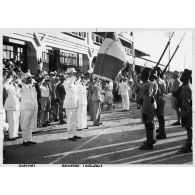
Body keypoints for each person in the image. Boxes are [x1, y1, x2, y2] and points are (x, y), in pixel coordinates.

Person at [139, 68, 157, 150]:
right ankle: (151, 139)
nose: (140, 76)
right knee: (151, 124)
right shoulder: (149, 83)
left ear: (144, 76)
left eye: (141, 75)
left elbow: (147, 99)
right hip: (151, 107)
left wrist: (145, 112)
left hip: (148, 108)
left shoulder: (146, 85)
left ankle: (149, 144)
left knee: (148, 125)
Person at [63, 68, 81, 141]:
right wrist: (74, 78)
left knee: (74, 120)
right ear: (70, 73)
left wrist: (78, 79)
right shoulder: (66, 81)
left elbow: (76, 91)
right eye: (73, 73)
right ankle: (70, 135)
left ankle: (74, 133)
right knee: (70, 120)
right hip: (69, 103)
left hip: (74, 103)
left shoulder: (73, 82)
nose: (74, 74)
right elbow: (68, 86)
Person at [20, 72, 37, 146]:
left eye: (31, 78)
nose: (31, 79)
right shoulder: (21, 86)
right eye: (29, 78)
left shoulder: (31, 86)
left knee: (30, 124)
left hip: (32, 107)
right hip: (26, 108)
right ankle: (24, 140)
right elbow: (18, 93)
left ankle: (29, 139)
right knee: (25, 124)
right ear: (25, 79)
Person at [3, 73, 21, 140]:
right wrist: (9, 78)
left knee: (16, 120)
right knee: (12, 120)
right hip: (10, 105)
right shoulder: (8, 84)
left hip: (16, 104)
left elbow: (17, 93)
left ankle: (15, 134)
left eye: (14, 77)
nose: (14, 78)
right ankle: (11, 135)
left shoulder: (15, 85)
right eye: (13, 77)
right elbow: (3, 85)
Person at [179, 69, 192, 153]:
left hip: (187, 110)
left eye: (183, 75)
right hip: (189, 109)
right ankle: (189, 142)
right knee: (189, 127)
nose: (181, 77)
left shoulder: (185, 87)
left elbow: (186, 102)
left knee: (188, 127)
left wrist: (184, 113)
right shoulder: (189, 85)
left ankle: (189, 145)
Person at [155, 67, 167, 140]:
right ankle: (161, 129)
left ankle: (163, 133)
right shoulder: (162, 81)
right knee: (160, 116)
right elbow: (165, 91)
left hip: (158, 100)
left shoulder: (156, 81)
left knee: (160, 117)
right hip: (162, 99)